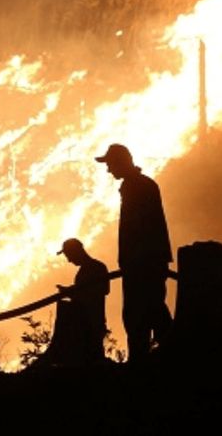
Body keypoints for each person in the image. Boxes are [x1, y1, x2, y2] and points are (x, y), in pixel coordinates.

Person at [95, 143, 173, 363]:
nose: (109, 170)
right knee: (152, 311)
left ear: (121, 162)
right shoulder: (141, 185)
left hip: (142, 265)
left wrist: (135, 261)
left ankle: (146, 363)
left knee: (141, 314)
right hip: (145, 263)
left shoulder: (136, 187)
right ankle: (164, 357)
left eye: (110, 164)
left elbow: (138, 228)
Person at [56, 238, 110, 363]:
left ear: (77, 251)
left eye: (69, 255)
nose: (69, 260)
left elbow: (101, 290)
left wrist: (70, 292)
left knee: (92, 359)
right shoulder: (91, 268)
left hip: (91, 322)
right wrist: (70, 291)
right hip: (84, 324)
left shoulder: (97, 267)